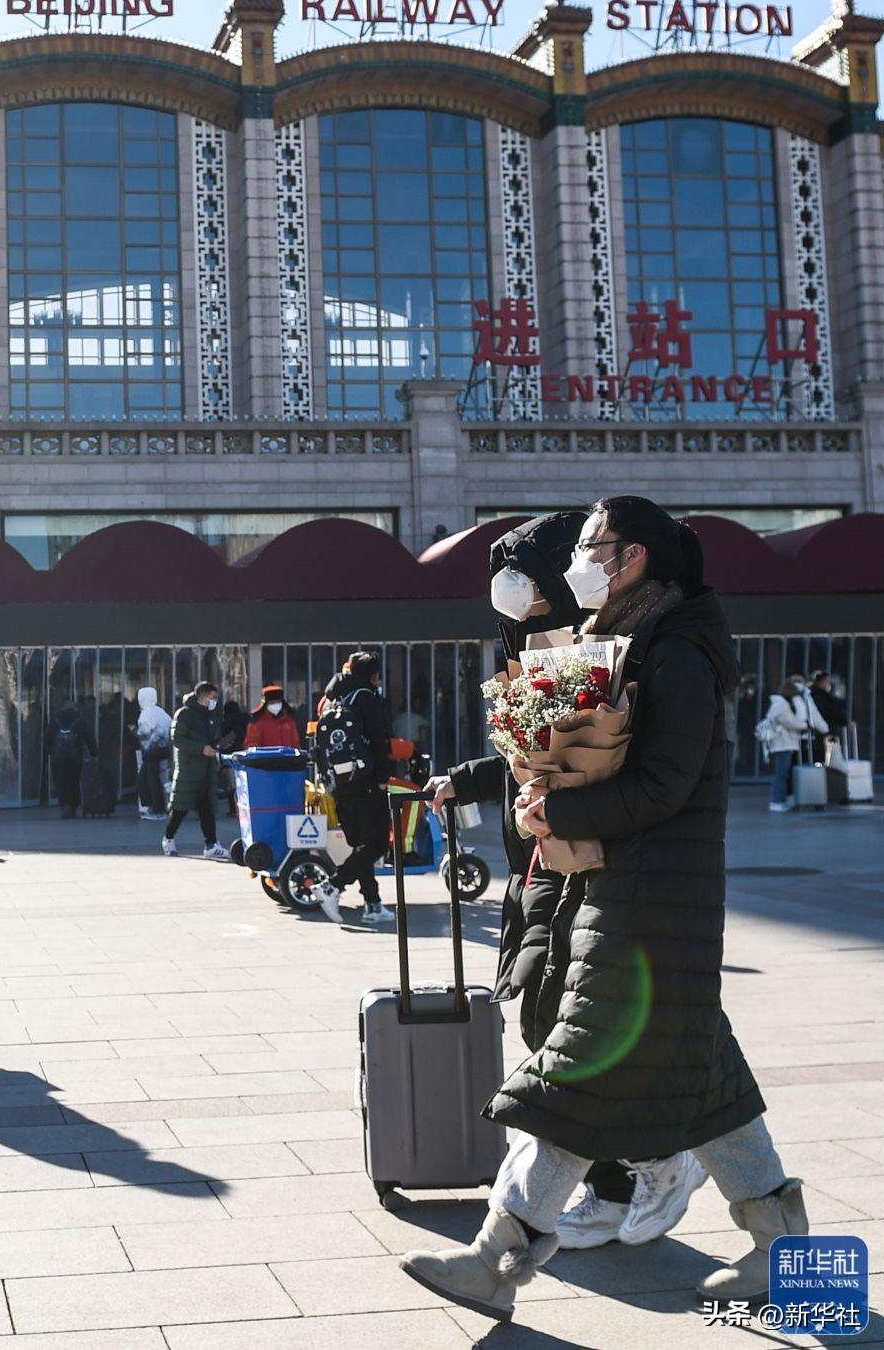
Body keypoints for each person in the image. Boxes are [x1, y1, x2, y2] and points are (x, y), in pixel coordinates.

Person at [401, 495, 807, 1323]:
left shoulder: (678, 652)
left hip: (653, 897)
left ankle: (494, 1263)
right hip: (635, 891)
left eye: (595, 546)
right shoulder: (629, 642)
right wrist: (540, 785)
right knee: (708, 1080)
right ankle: (781, 1248)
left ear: (638, 558)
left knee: (573, 1078)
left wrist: (560, 815)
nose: (580, 560)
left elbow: (665, 784)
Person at [427, 513, 705, 1253]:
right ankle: (621, 1184)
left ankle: (639, 1170)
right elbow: (536, 751)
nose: (528, 610)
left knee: (568, 1031)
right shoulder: (538, 645)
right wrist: (475, 781)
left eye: (538, 596)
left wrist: (556, 806)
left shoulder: (611, 648)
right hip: (549, 860)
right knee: (556, 1023)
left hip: (593, 862)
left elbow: (607, 761)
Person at [313, 650, 395, 927]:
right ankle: (331, 885)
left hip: (340, 783)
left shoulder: (335, 697)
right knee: (376, 844)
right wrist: (384, 777)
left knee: (361, 845)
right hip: (367, 782)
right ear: (374, 674)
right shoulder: (366, 698)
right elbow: (379, 740)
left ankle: (372, 905)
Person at [163, 681, 230, 860]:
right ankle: (168, 838)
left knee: (207, 808)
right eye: (212, 697)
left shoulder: (212, 713)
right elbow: (178, 739)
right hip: (189, 770)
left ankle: (211, 844)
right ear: (202, 696)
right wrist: (201, 749)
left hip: (207, 769)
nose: (215, 701)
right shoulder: (184, 714)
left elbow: (212, 736)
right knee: (180, 808)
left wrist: (218, 745)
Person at [762, 677, 829, 812]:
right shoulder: (783, 704)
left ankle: (784, 799)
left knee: (785, 773)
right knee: (782, 774)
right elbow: (790, 721)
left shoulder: (784, 702)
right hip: (784, 743)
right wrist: (807, 726)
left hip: (788, 742)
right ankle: (777, 801)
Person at [46, 702, 97, 819]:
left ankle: (65, 805)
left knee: (61, 782)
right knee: (74, 781)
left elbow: (46, 739)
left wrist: (51, 752)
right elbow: (89, 738)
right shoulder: (79, 720)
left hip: (58, 758)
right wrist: (94, 752)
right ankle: (73, 806)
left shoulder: (55, 720)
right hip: (75, 757)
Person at [134, 686, 171, 821]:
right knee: (151, 779)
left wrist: (134, 731)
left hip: (150, 751)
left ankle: (157, 809)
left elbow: (143, 733)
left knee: (148, 780)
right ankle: (155, 807)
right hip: (163, 750)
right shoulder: (161, 712)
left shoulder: (145, 714)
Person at [810, 670, 850, 763]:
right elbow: (830, 711)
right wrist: (844, 719)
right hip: (824, 733)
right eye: (828, 681)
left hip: (824, 732)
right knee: (827, 760)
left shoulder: (818, 695)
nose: (830, 684)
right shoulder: (820, 697)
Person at [244, 685, 301, 749]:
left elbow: (296, 743)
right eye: (272, 702)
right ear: (265, 704)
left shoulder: (289, 721)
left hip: (288, 757)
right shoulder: (256, 722)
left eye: (278, 702)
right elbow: (251, 744)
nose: (275, 705)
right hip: (266, 758)